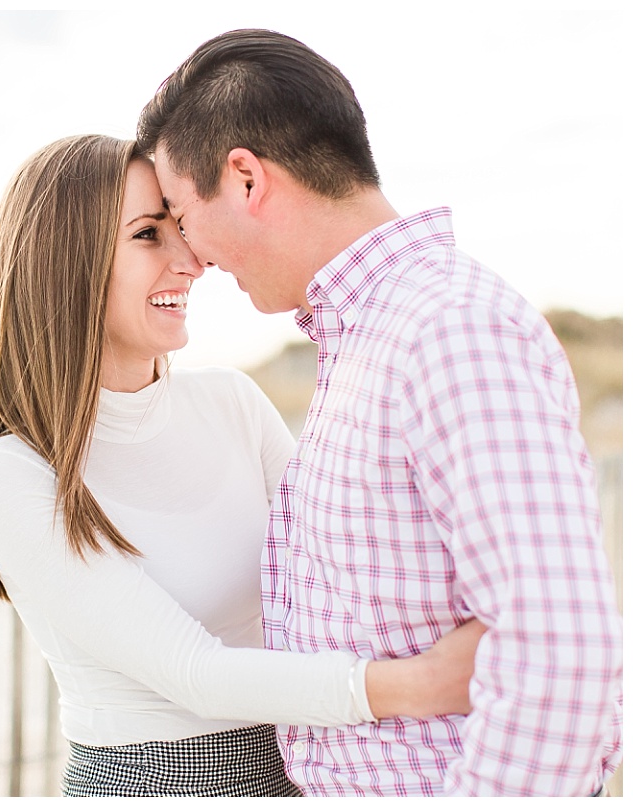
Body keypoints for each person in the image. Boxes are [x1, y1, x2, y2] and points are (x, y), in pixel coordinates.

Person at [136, 28, 623, 797]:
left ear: (245, 178)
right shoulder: (370, 339)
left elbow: (560, 656)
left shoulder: (449, 329)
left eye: (183, 216)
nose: (193, 256)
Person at [0, 133, 484, 797]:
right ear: (66, 263)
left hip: (306, 762)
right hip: (155, 783)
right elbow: (194, 673)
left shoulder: (231, 401)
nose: (190, 258)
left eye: (180, 226)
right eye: (149, 235)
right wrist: (424, 682)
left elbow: (342, 579)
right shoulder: (11, 473)